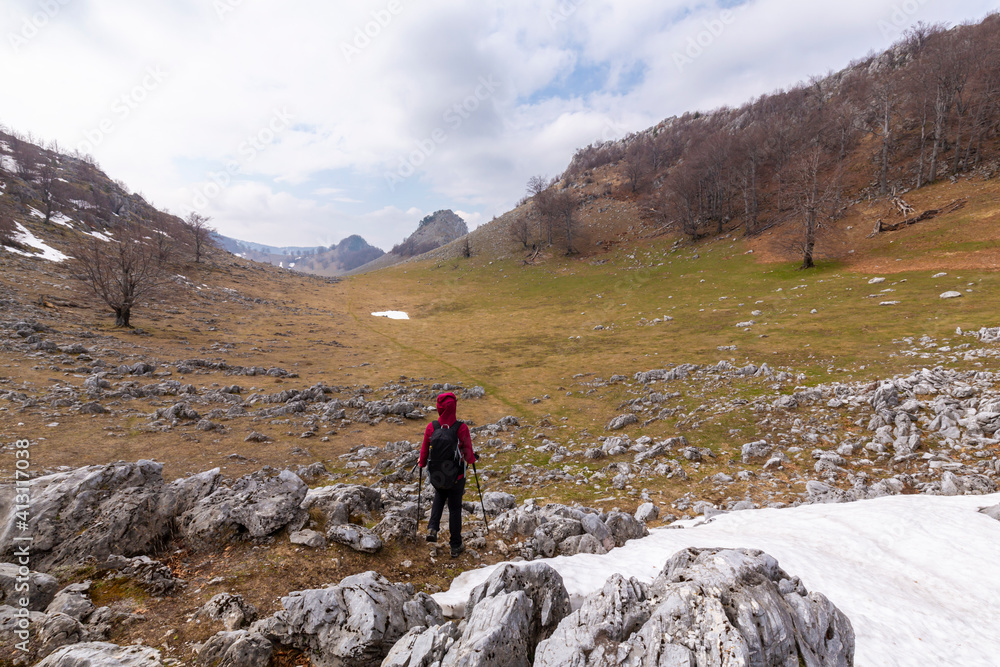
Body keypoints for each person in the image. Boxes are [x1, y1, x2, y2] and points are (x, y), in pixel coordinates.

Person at [418, 391, 477, 558]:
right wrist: (472, 460)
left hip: (438, 476)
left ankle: (432, 528)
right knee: (455, 508)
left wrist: (421, 464)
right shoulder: (461, 428)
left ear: (439, 408)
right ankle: (455, 545)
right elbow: (468, 453)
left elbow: (424, 451)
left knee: (439, 496)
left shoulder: (432, 427)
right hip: (456, 477)